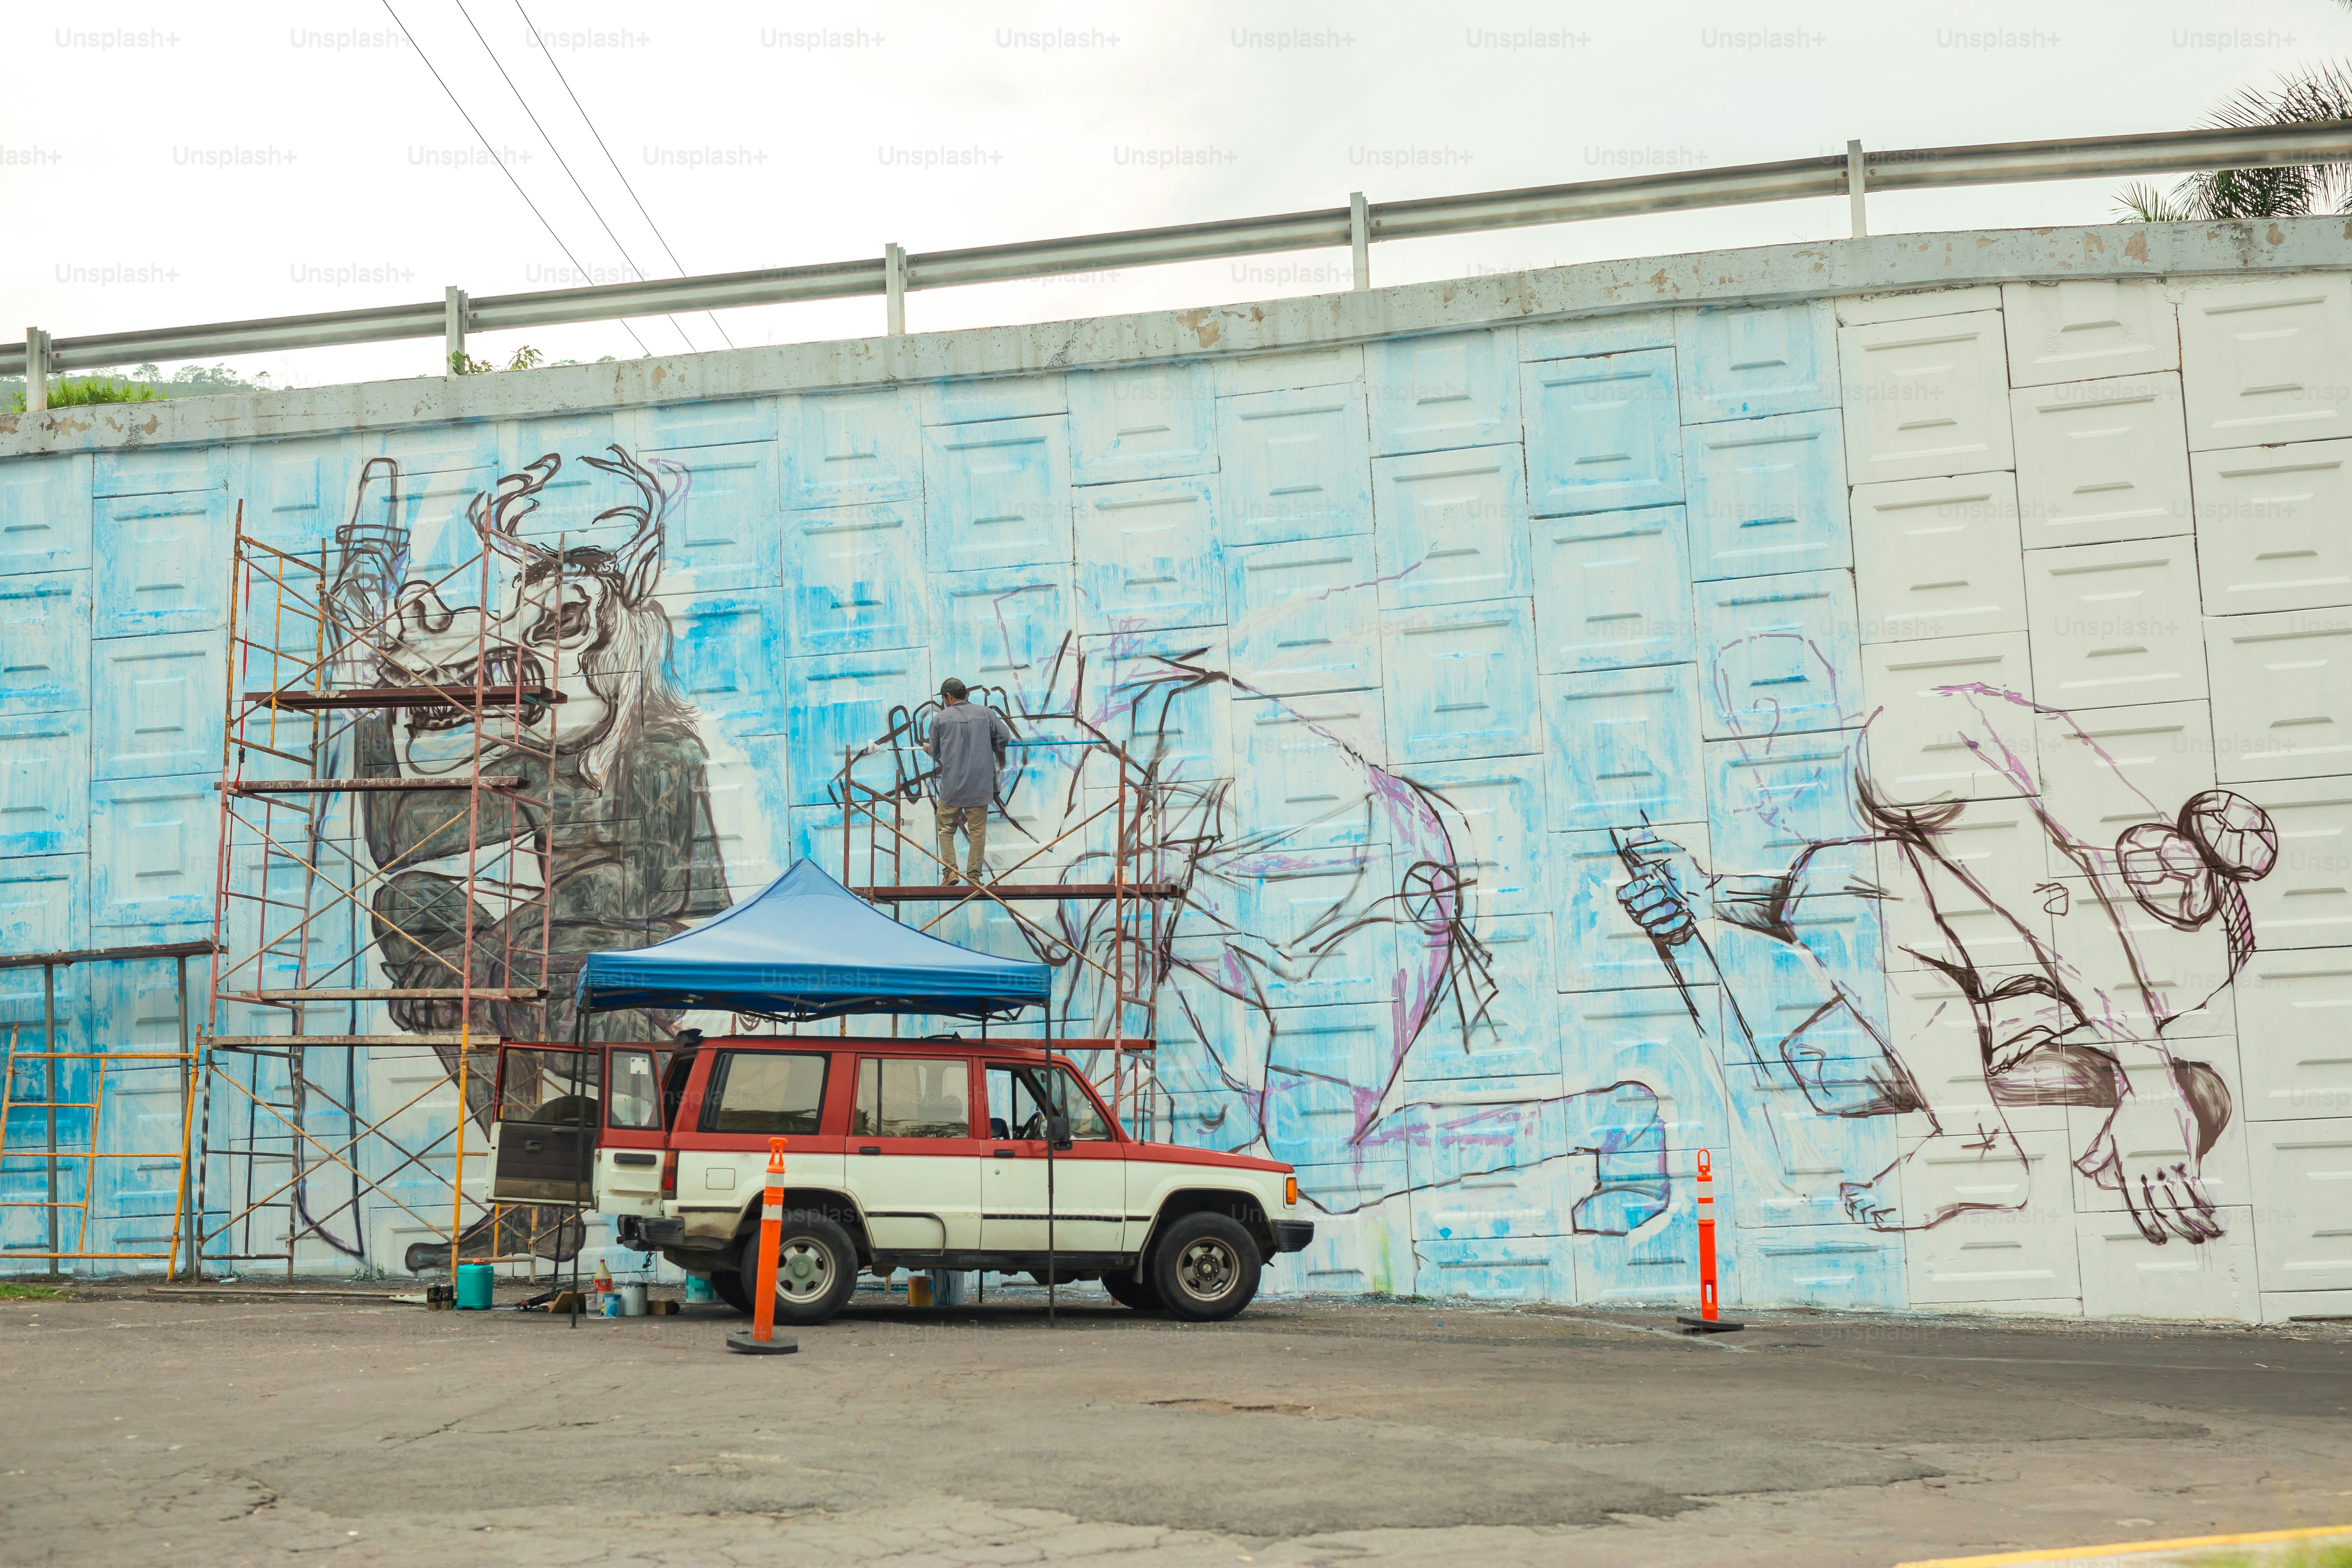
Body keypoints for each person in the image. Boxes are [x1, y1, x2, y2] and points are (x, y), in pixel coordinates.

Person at [927, 677, 1013, 884]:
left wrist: (928, 749)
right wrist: (987, 745)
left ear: (948, 696)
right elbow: (1004, 738)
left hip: (953, 786)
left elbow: (935, 751)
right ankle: (974, 877)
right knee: (977, 832)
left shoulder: (940, 719)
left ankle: (950, 873)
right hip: (980, 785)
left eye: (944, 698)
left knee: (946, 829)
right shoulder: (986, 714)